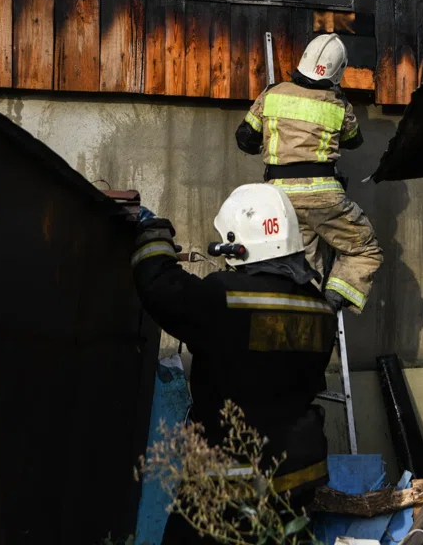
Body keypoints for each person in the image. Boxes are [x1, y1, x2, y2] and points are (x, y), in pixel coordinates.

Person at [131, 184, 337, 544]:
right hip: (299, 474)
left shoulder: (226, 298)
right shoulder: (320, 308)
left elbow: (162, 288)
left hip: (232, 481)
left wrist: (154, 237)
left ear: (236, 244)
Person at [234, 33, 383, 314]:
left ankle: (299, 316)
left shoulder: (272, 94)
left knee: (303, 264)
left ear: (303, 60)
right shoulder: (338, 105)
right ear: (338, 72)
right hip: (324, 200)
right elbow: (354, 140)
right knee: (365, 249)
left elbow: (245, 139)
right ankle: (331, 301)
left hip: (279, 200)